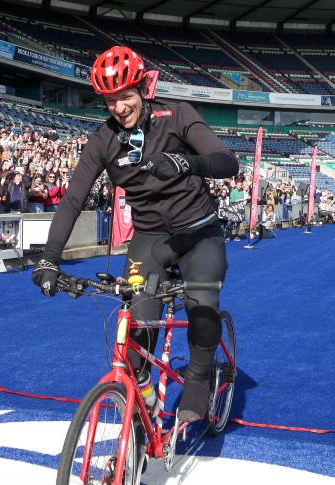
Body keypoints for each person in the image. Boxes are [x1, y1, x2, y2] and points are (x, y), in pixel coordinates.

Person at [32, 46, 239, 424]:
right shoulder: (103, 140)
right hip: (151, 238)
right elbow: (73, 198)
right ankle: (142, 408)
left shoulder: (177, 115)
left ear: (143, 88)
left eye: (126, 96)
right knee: (136, 331)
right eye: (110, 100)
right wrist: (50, 258)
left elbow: (228, 162)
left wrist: (186, 162)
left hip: (198, 231)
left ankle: (198, 376)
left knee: (202, 302)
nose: (119, 107)